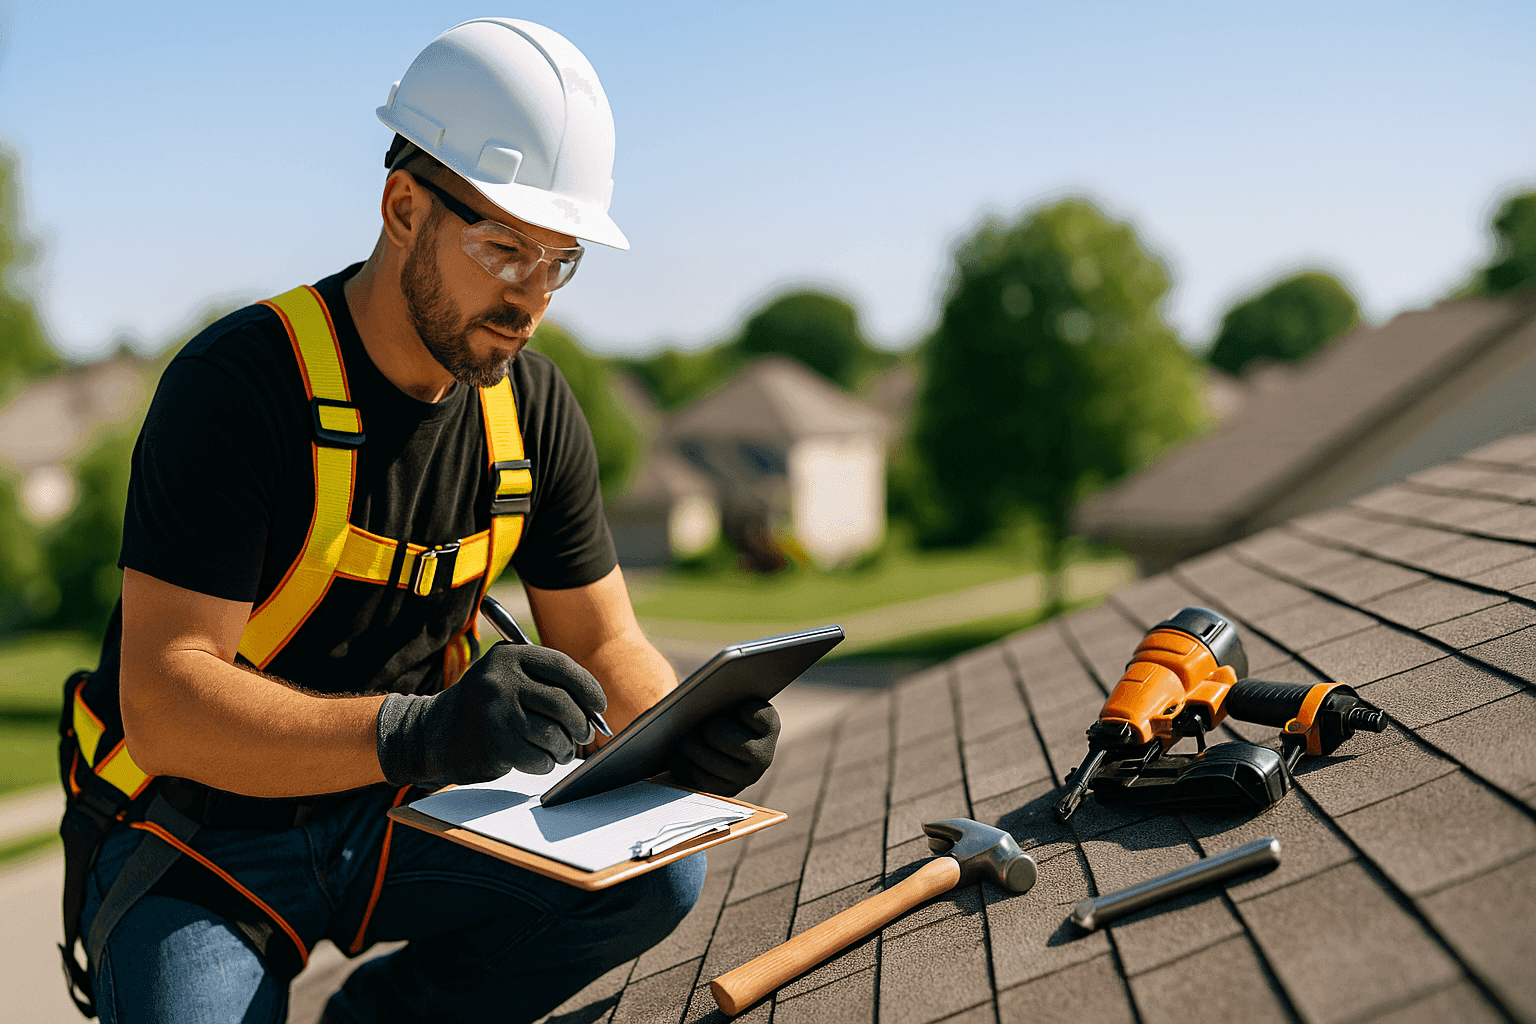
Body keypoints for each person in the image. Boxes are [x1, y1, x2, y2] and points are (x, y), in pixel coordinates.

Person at [57, 19, 780, 1024]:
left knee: (656, 875)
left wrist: (679, 733)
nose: (530, 299)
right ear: (403, 206)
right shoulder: (239, 388)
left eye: (558, 263)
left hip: (403, 807)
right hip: (198, 834)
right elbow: (168, 702)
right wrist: (425, 730)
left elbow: (604, 636)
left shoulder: (529, 408)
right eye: (503, 251)